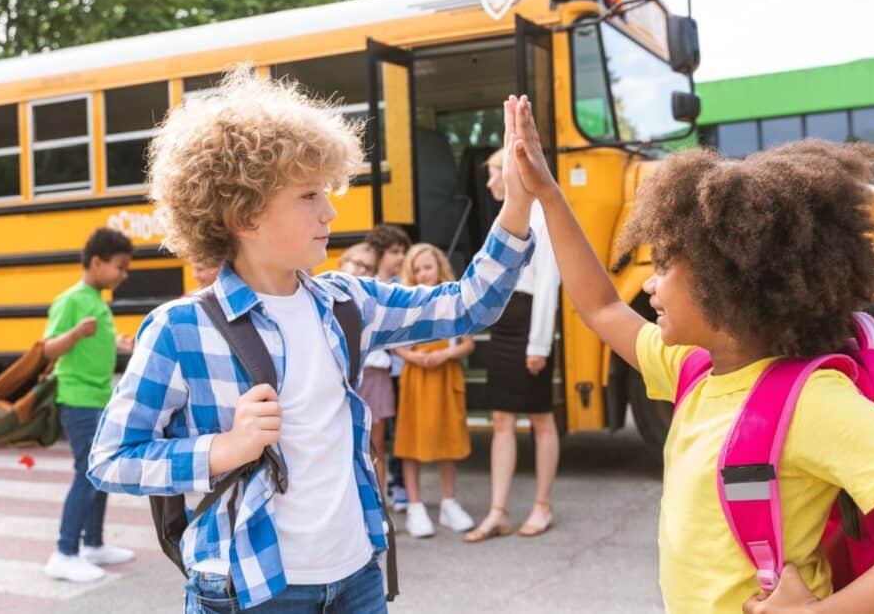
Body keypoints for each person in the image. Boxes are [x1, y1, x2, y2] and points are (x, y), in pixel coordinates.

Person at [503, 95, 874, 613]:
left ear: (730, 283)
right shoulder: (692, 372)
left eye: (666, 265)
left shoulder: (811, 401)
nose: (650, 285)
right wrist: (548, 196)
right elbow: (601, 307)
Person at [87, 73, 535, 613]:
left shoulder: (349, 302)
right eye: (308, 196)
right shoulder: (179, 329)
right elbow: (111, 458)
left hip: (357, 577)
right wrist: (222, 450)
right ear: (244, 214)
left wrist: (516, 203)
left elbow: (469, 304)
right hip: (251, 589)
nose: (330, 212)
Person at [466, 149, 561, 543]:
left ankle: (542, 506)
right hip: (504, 325)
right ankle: (498, 512)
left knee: (540, 418)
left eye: (493, 174)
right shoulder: (507, 218)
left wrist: (539, 343)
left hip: (528, 326)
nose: (489, 184)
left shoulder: (541, 217)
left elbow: (546, 284)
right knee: (501, 419)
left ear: (510, 174)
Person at [41, 227, 136, 583]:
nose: (122, 275)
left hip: (99, 397)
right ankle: (64, 552)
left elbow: (95, 344)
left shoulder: (98, 300)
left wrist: (117, 343)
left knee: (100, 472)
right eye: (119, 267)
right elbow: (47, 349)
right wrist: (75, 334)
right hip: (78, 399)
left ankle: (93, 544)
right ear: (96, 262)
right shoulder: (71, 300)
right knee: (87, 472)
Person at [391, 244, 476, 539]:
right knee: (410, 441)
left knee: (448, 439)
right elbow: (395, 344)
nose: (423, 274)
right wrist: (412, 357)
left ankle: (449, 503)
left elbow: (467, 343)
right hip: (416, 377)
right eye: (416, 270)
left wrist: (445, 356)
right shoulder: (407, 302)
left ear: (440, 266)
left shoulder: (453, 300)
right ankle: (415, 505)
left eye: (427, 267)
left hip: (445, 374)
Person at [338, 242, 394, 491]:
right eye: (357, 264)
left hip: (374, 376)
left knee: (375, 445)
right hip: (341, 379)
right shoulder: (322, 299)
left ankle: (379, 504)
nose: (363, 271)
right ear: (342, 263)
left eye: (369, 268)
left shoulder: (374, 300)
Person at [365, 224, 412, 512]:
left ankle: (399, 482)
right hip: (381, 369)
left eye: (403, 251)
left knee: (394, 432)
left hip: (399, 368)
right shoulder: (368, 286)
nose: (401, 257)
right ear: (380, 254)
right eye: (394, 251)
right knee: (378, 436)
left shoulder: (402, 285)